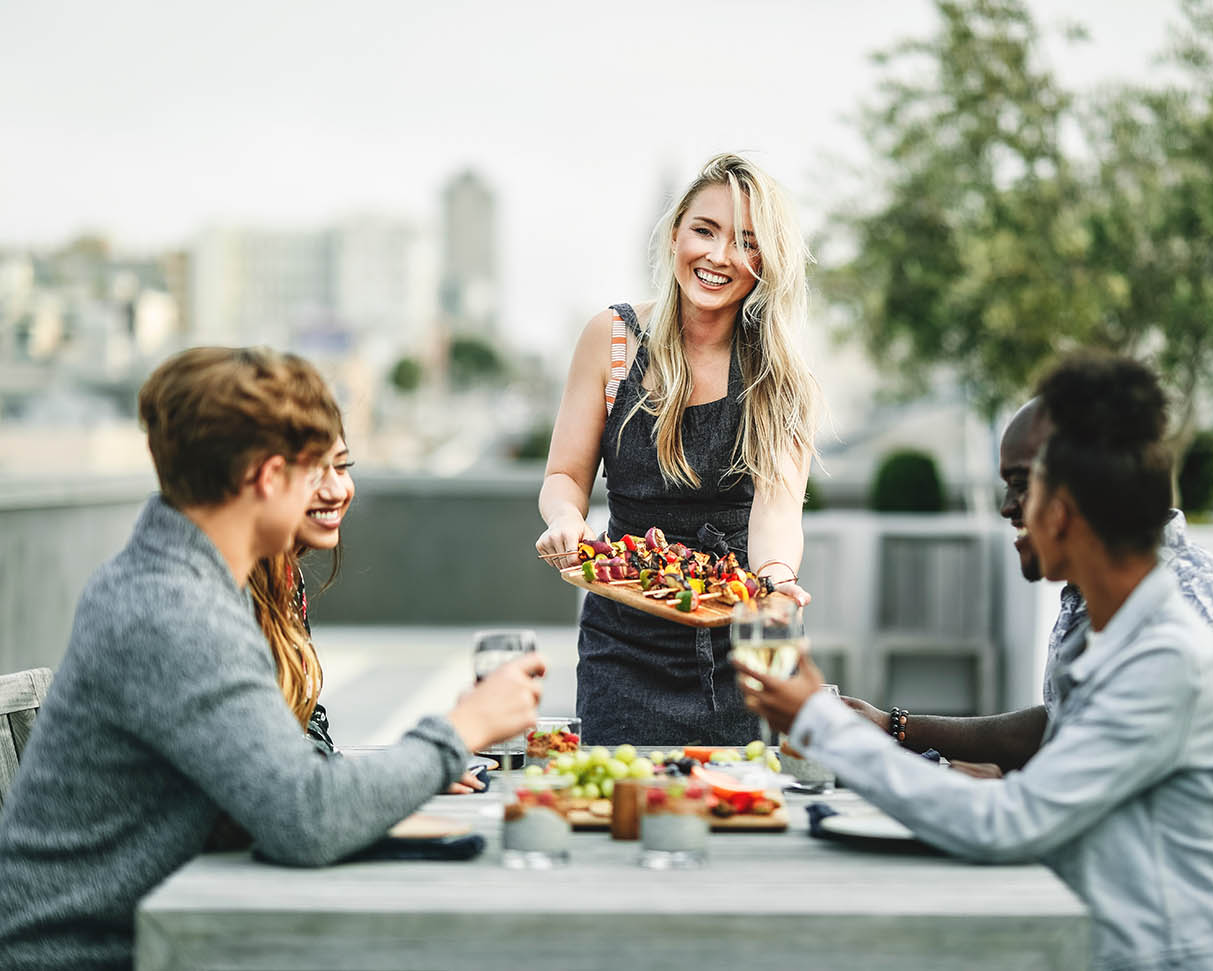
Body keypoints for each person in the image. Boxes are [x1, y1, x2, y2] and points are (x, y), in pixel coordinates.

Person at [0, 347, 544, 970]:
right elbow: (306, 816)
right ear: (268, 477)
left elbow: (279, 784)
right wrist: (463, 727)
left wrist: (406, 772)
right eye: (314, 468)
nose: (328, 489)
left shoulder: (170, 577)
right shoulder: (173, 609)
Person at [740, 352, 1213, 970]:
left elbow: (1009, 827)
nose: (1009, 511)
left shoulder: (1165, 656)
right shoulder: (1117, 629)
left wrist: (822, 724)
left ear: (1061, 510)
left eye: (1020, 490)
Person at [846, 397, 1213, 971]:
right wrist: (893, 727)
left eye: (1020, 484)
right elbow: (1063, 727)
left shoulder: (1211, 620)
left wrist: (1025, 808)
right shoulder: (1110, 592)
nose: (1008, 508)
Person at [535, 153, 820, 745]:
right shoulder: (611, 338)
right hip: (622, 641)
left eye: (746, 241)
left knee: (736, 816)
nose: (719, 257)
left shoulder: (781, 373)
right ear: (674, 236)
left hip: (738, 637)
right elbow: (565, 474)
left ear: (767, 262)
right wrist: (566, 520)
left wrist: (773, 577)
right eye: (705, 230)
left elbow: (777, 509)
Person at [248, 435, 484, 792]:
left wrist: (405, 773)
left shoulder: (282, 575)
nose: (336, 490)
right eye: (311, 471)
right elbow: (271, 783)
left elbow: (301, 738)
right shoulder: (217, 596)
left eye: (343, 466)